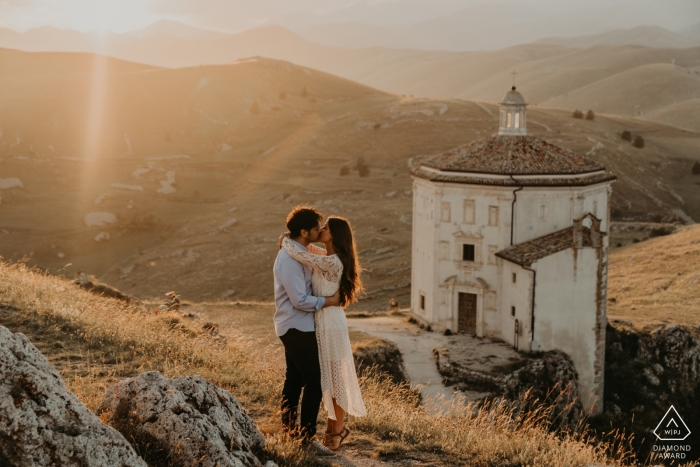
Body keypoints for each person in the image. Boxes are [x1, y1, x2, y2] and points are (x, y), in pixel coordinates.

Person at [279, 215, 367, 451]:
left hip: (331, 323)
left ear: (334, 235)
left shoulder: (333, 262)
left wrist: (287, 240)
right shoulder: (326, 257)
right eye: (319, 227)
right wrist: (289, 239)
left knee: (335, 379)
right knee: (327, 378)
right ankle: (331, 431)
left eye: (325, 228)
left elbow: (300, 253)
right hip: (322, 322)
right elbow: (307, 251)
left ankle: (337, 432)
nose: (321, 230)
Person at [273, 206, 341, 457]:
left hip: (298, 325)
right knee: (314, 381)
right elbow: (299, 300)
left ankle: (288, 431)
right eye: (316, 227)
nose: (320, 229)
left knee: (295, 379)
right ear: (304, 232)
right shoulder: (290, 259)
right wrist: (328, 302)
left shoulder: (298, 250)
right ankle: (306, 438)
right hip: (295, 325)